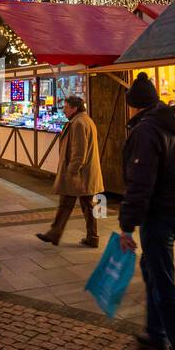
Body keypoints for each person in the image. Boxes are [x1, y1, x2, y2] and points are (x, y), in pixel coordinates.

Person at [120, 73, 175, 350]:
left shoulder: (146, 132)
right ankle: (155, 333)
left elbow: (139, 184)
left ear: (134, 107)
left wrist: (127, 226)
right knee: (152, 271)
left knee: (164, 285)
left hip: (160, 216)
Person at [37, 94, 103, 247]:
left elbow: (79, 152)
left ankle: (56, 233)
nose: (64, 110)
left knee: (69, 204)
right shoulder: (82, 120)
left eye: (66, 107)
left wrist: (72, 172)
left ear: (74, 108)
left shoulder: (79, 123)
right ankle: (90, 237)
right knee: (85, 206)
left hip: (79, 174)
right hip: (84, 174)